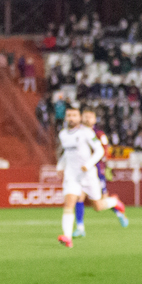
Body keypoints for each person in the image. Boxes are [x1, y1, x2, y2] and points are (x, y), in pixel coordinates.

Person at [56, 106, 125, 247]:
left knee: (98, 206)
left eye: (74, 115)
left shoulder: (86, 133)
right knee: (69, 203)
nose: (71, 118)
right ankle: (67, 238)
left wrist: (88, 164)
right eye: (69, 115)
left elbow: (99, 150)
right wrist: (59, 166)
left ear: (79, 117)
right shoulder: (63, 134)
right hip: (72, 175)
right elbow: (67, 154)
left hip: (88, 175)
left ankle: (114, 202)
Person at [72, 107, 129, 237]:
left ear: (94, 119)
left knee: (99, 204)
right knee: (78, 197)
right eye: (85, 116)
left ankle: (116, 204)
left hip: (96, 170)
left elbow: (104, 151)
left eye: (90, 117)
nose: (87, 119)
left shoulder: (99, 134)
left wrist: (100, 166)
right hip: (81, 171)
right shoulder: (78, 132)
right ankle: (80, 227)